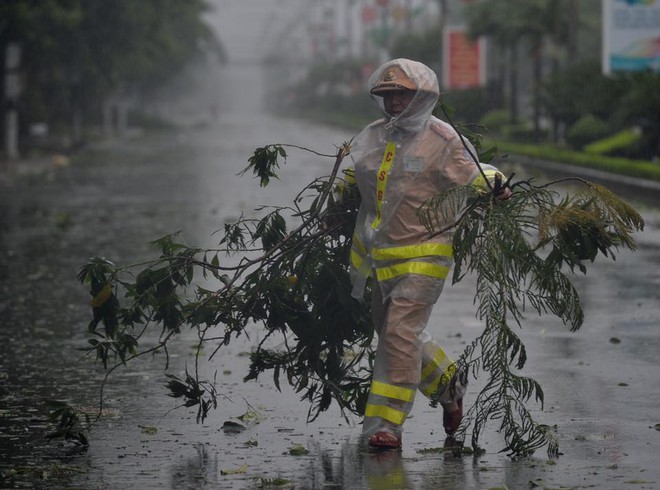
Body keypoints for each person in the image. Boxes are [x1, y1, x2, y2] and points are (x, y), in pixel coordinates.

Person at [346, 58, 511, 450]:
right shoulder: (372, 136)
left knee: (399, 334)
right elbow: (356, 180)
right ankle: (447, 383)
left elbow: (474, 173)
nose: (394, 102)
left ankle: (387, 426)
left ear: (422, 95)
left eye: (401, 93)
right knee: (393, 336)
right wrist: (334, 207)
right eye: (387, 95)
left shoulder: (442, 138)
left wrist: (497, 184)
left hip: (426, 255)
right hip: (381, 258)